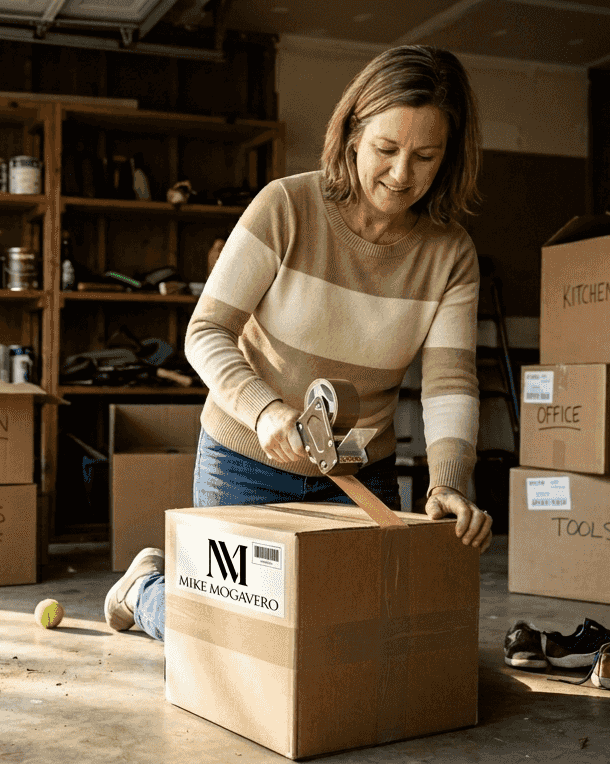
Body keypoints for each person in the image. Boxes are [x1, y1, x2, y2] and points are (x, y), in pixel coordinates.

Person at [104, 45, 493, 640]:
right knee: (233, 645)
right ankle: (147, 588)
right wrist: (265, 413)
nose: (400, 174)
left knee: (354, 639)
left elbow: (448, 383)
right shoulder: (286, 206)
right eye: (386, 150)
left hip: (359, 473)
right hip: (246, 461)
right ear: (353, 134)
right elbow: (205, 332)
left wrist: (448, 482)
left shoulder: (451, 253)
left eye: (425, 157)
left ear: (450, 157)